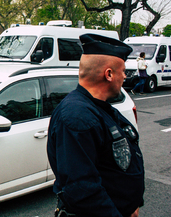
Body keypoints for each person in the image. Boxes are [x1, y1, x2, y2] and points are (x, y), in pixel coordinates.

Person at [47, 34, 144, 217]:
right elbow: (82, 189)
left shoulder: (96, 108)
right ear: (109, 74)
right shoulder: (77, 116)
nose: (124, 76)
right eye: (123, 71)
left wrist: (131, 204)